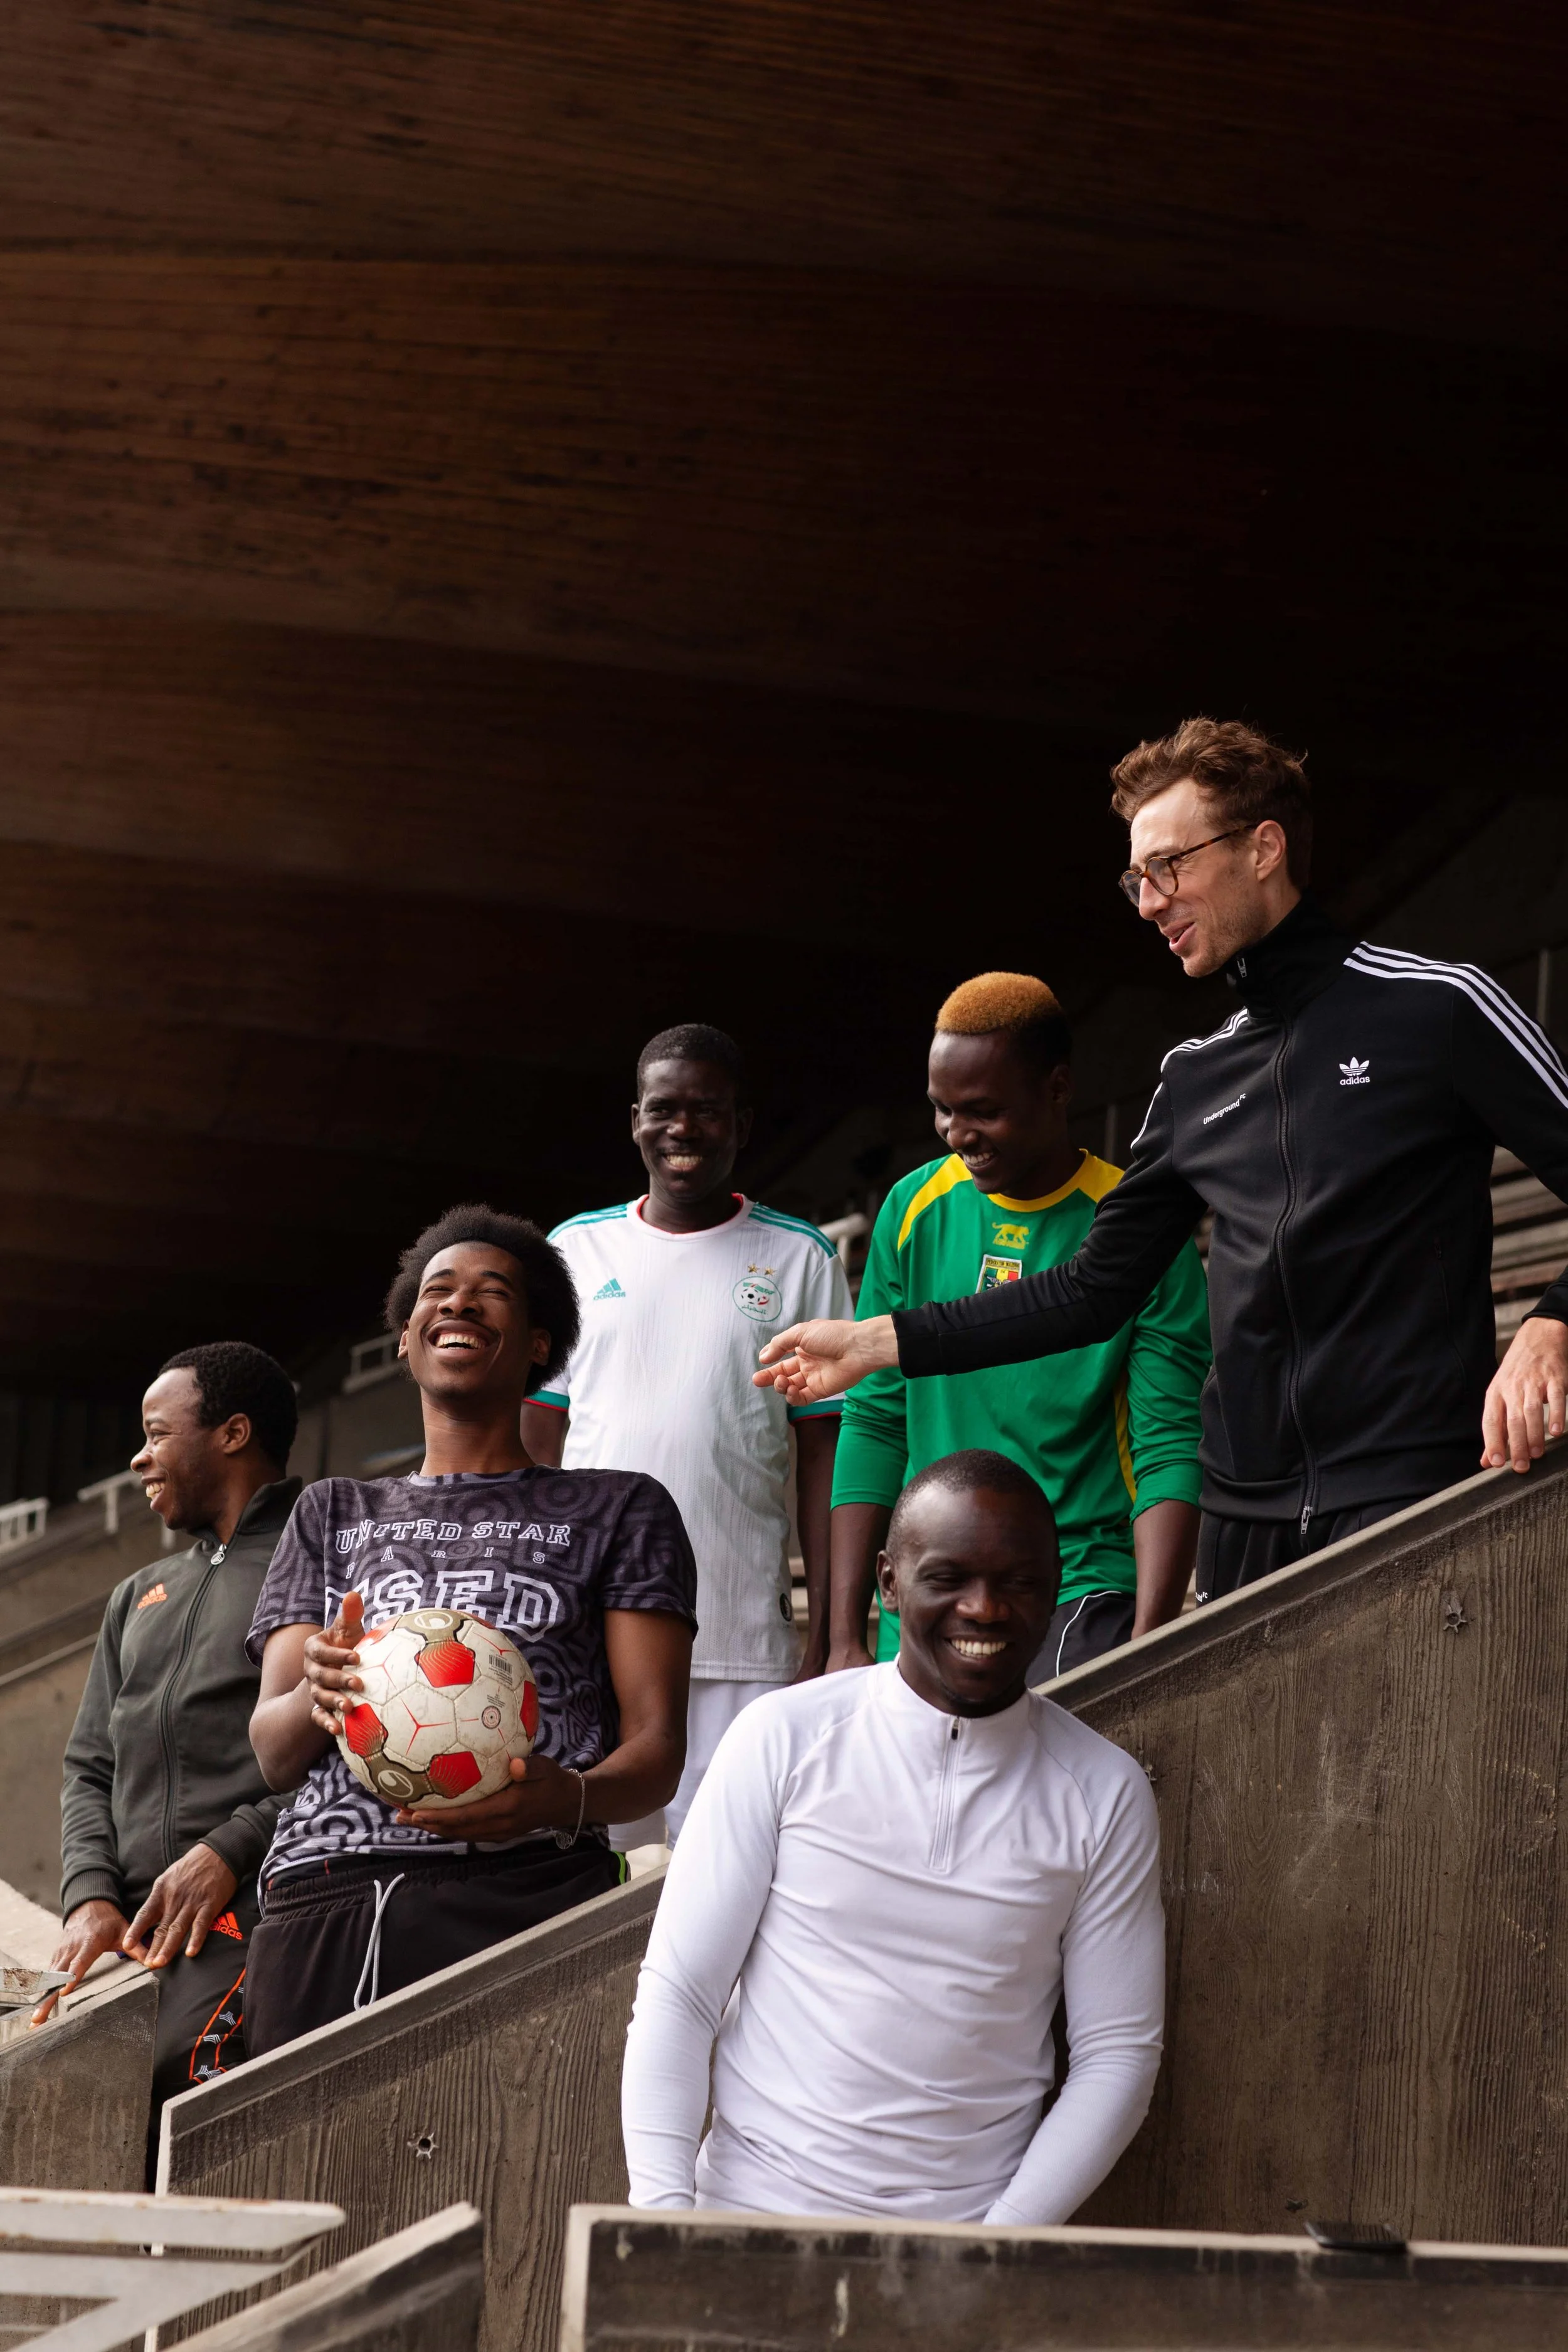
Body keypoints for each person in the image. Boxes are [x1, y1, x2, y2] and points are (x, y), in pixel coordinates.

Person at [757, 719, 1568, 1597]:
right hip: (1244, 1527)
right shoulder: (1193, 1078)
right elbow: (1090, 1288)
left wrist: (1553, 1324)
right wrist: (875, 1341)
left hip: (1410, 1494)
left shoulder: (1438, 1008)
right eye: (1136, 878)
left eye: (1169, 866)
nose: (1148, 902)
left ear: (1264, 848)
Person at [621, 1449, 1163, 2224]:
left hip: (966, 2249)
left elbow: (1117, 2057)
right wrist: (666, 2226)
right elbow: (681, 1994)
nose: (984, 1609)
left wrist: (994, 2248)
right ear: (888, 1582)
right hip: (744, 2221)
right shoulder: (783, 1737)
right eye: (948, 1578)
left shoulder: (1103, 1791)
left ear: (1053, 1591)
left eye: (1018, 1583)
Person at [245, 1204, 696, 2055]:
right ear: (408, 1337)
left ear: (537, 1344)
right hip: (326, 1893)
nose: (458, 1305)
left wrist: (569, 1798)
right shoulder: (331, 1510)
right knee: (306, 2176)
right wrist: (321, 1685)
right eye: (437, 1292)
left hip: (526, 1886)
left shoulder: (620, 1508)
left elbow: (657, 1749)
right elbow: (271, 1751)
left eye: (492, 1294)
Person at [521, 1025, 850, 1843]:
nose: (684, 1128)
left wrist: (833, 1634)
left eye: (706, 1110)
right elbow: (536, 1443)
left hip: (743, 1638)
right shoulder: (574, 1250)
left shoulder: (799, 1257)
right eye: (664, 1108)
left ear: (741, 1122)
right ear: (635, 1119)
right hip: (596, 1640)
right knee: (599, 1894)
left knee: (735, 1886)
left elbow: (825, 1455)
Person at [830, 972, 1207, 1679]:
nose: (956, 1134)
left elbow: (1168, 1443)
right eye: (941, 1110)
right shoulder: (913, 1208)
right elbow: (877, 1418)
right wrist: (843, 1636)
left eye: (983, 1111)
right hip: (927, 1590)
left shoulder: (1139, 1227)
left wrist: (1154, 1636)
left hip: (1075, 1588)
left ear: (1057, 1088)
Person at [40, 1342, 302, 2136]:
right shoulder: (136, 1597)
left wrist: (231, 1850)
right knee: (46, 2080)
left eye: (157, 1433)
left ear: (231, 1434)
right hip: (132, 1928)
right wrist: (88, 1897)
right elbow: (88, 1766)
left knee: (172, 2088)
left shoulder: (318, 1559)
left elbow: (356, 1755)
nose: (138, 1455)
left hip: (248, 1914)